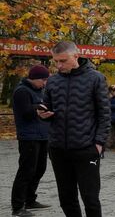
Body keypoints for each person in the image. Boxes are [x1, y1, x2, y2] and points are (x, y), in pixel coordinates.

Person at [37, 41, 111, 217]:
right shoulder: (53, 81)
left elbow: (104, 114)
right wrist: (41, 114)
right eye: (56, 61)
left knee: (90, 198)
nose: (59, 65)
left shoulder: (96, 78)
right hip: (58, 148)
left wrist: (99, 143)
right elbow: (46, 107)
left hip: (86, 148)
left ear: (76, 56)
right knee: (66, 198)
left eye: (63, 60)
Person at [11, 65, 52, 217]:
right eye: (43, 80)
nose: (45, 83)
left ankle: (30, 199)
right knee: (26, 170)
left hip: (42, 135)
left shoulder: (40, 90)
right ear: (34, 78)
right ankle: (17, 207)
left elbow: (42, 108)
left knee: (39, 169)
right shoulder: (22, 91)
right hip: (28, 137)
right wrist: (38, 108)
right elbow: (26, 113)